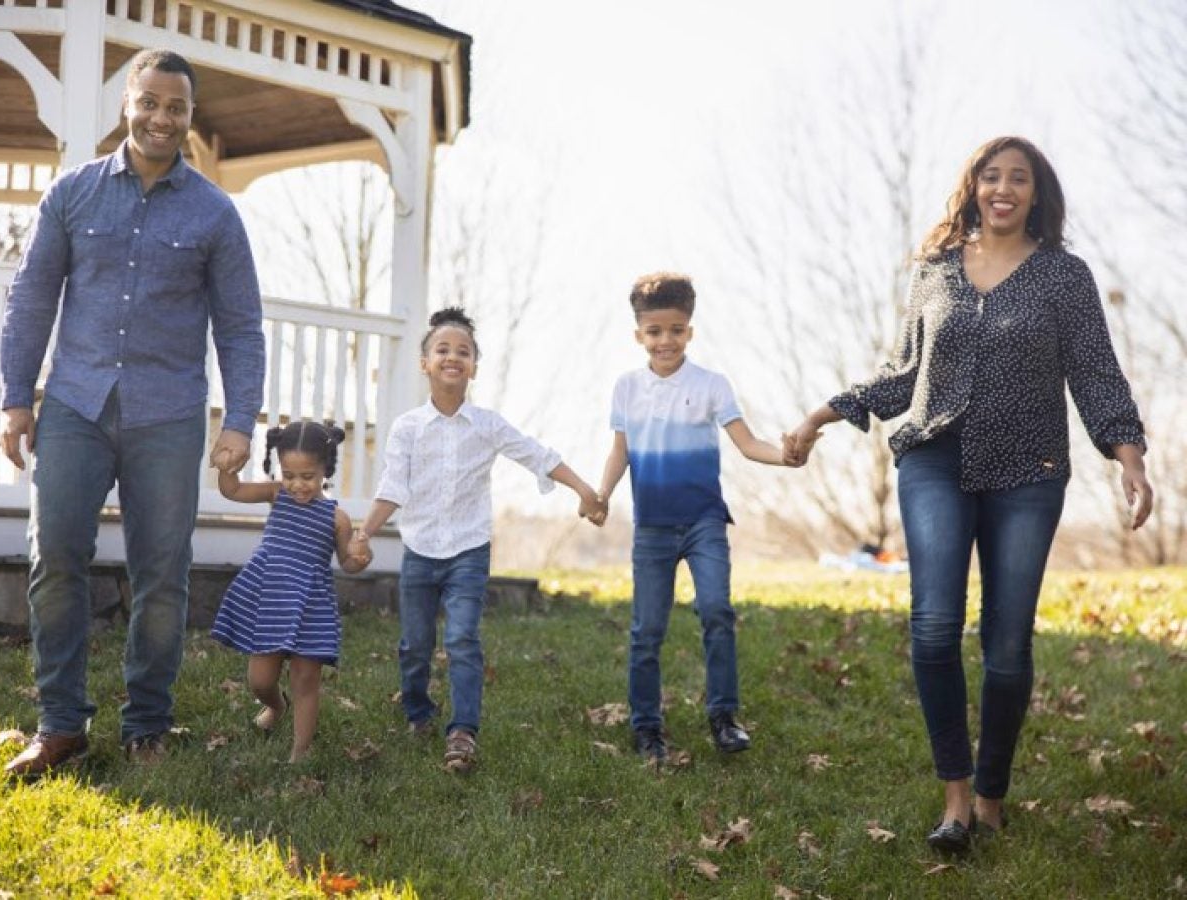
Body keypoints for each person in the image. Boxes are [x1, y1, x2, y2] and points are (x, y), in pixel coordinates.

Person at [784, 136, 1153, 852]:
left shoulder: (1063, 277)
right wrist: (820, 416)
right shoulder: (934, 273)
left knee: (1007, 647)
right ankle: (954, 798)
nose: (1004, 188)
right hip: (935, 460)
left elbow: (1097, 375)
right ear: (974, 187)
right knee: (932, 627)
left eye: (1019, 178)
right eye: (992, 176)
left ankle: (991, 795)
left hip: (1030, 469)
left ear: (1036, 194)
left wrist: (1130, 459)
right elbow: (902, 374)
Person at [0, 49, 265, 776]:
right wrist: (16, 398)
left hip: (169, 416)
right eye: (149, 102)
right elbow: (30, 300)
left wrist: (240, 419)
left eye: (174, 108)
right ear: (127, 102)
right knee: (54, 559)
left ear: (188, 116)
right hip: (75, 407)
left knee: (162, 574)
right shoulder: (74, 195)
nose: (160, 118)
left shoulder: (215, 213)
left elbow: (240, 326)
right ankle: (61, 725)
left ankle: (147, 722)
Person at [351, 308, 606, 772]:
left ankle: (462, 731)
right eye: (442, 350)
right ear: (425, 363)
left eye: (463, 351)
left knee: (464, 637)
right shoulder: (408, 427)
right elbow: (393, 486)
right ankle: (418, 712)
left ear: (474, 367)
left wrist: (584, 489)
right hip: (420, 551)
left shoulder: (487, 424)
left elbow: (535, 454)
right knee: (414, 644)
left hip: (468, 550)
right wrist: (364, 532)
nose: (453, 357)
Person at [595, 272, 796, 764]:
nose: (666, 341)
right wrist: (601, 494)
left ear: (690, 331)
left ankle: (724, 717)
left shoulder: (710, 385)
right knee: (646, 631)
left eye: (676, 330)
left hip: (704, 521)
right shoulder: (626, 389)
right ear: (639, 334)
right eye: (655, 331)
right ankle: (647, 727)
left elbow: (747, 444)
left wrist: (786, 455)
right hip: (653, 528)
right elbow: (620, 451)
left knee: (716, 611)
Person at [210, 421, 368, 763]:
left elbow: (348, 562)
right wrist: (226, 469)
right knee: (260, 680)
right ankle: (276, 705)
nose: (297, 484)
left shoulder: (336, 517)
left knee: (306, 678)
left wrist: (360, 557)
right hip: (271, 597)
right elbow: (232, 491)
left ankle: (300, 750)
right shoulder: (275, 493)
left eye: (308, 476)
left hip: (310, 603)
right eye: (289, 474)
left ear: (325, 468)